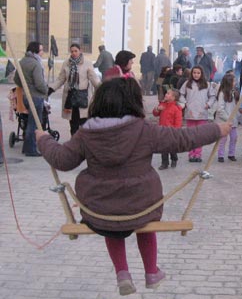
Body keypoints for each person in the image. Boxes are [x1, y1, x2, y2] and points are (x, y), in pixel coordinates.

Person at [36, 77, 230, 295]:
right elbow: (183, 138)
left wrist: (43, 139)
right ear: (133, 102)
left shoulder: (86, 134)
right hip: (142, 208)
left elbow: (62, 159)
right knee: (143, 222)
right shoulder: (144, 130)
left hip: (100, 211)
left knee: (111, 224)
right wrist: (216, 130)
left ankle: (122, 273)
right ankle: (151, 272)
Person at [49, 44, 100, 135]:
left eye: (76, 51)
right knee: (73, 124)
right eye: (72, 51)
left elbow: (93, 78)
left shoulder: (87, 63)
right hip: (70, 97)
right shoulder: (66, 63)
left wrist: (103, 89)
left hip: (82, 97)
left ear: (80, 51)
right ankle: (74, 144)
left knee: (84, 123)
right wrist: (51, 89)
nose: (74, 53)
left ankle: (84, 144)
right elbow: (61, 78)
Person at [14, 41, 48, 156]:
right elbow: (39, 83)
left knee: (28, 121)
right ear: (36, 51)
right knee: (34, 123)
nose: (43, 52)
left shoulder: (22, 62)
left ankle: (26, 147)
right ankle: (30, 149)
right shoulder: (36, 64)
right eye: (42, 50)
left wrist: (25, 87)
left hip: (24, 96)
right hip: (36, 97)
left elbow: (16, 80)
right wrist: (46, 90)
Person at [179, 65, 217, 162]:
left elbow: (213, 96)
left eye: (198, 73)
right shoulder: (187, 84)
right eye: (194, 73)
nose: (196, 75)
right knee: (190, 135)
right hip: (190, 113)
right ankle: (191, 154)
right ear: (191, 74)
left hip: (202, 113)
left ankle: (198, 154)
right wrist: (185, 103)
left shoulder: (207, 84)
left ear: (202, 74)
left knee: (200, 135)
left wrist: (208, 104)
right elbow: (181, 95)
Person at [152, 88, 183, 170]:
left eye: (168, 93)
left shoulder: (176, 108)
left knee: (172, 147)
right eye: (166, 93)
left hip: (172, 132)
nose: (166, 94)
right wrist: (157, 109)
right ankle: (164, 163)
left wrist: (177, 131)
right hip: (162, 130)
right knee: (163, 147)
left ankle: (174, 159)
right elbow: (155, 114)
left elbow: (178, 121)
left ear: (173, 98)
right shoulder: (162, 105)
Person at [214, 73, 239, 162]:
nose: (235, 82)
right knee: (223, 139)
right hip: (224, 121)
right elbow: (220, 109)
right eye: (234, 81)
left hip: (233, 121)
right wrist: (228, 119)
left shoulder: (234, 92)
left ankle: (231, 154)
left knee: (234, 137)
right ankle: (220, 155)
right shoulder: (222, 94)